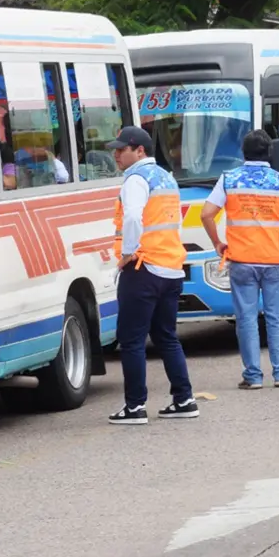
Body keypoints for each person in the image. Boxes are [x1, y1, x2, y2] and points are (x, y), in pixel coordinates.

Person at [200, 130, 279, 390]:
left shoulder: (229, 179)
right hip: (274, 262)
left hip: (241, 261)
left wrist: (218, 242)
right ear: (270, 153)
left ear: (243, 152)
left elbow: (207, 214)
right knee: (276, 318)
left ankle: (252, 377)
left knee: (247, 319)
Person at [106, 125, 198, 425]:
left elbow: (133, 216)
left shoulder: (136, 178)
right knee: (167, 337)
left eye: (123, 149)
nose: (117, 154)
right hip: (170, 268)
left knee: (131, 340)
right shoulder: (166, 177)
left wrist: (128, 252)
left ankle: (135, 407)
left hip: (142, 266)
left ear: (140, 150)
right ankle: (184, 399)